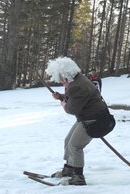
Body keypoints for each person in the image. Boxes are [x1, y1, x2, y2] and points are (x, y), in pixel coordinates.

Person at [45, 57, 115, 186]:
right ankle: (69, 169)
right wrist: (62, 97)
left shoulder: (77, 85)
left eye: (57, 75)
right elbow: (74, 98)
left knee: (75, 145)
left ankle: (78, 177)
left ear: (64, 73)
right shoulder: (76, 80)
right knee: (68, 141)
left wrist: (62, 101)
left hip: (95, 120)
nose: (57, 79)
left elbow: (72, 109)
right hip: (86, 117)